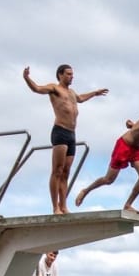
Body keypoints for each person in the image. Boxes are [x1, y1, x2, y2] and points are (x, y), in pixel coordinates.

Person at [22, 64, 107, 215]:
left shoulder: (72, 93)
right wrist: (27, 77)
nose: (71, 76)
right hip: (60, 131)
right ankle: (55, 207)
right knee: (57, 170)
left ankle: (64, 206)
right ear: (60, 75)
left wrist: (95, 93)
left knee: (66, 172)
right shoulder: (55, 88)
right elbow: (37, 88)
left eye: (72, 74)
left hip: (72, 134)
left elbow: (80, 98)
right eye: (68, 74)